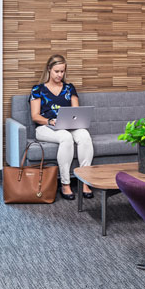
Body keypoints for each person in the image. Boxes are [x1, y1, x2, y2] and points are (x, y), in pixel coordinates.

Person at [30, 54, 94, 200]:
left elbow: (75, 112)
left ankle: (85, 181)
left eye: (62, 71)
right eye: (56, 71)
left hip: (68, 125)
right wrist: (50, 121)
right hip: (45, 127)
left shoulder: (69, 88)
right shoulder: (38, 89)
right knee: (66, 138)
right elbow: (35, 116)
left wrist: (74, 122)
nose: (60, 75)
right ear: (49, 70)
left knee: (84, 136)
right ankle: (65, 184)